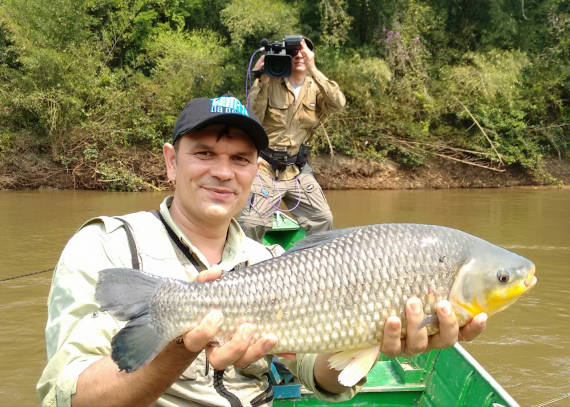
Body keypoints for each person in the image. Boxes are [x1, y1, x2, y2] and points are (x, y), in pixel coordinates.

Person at [37, 95, 487, 407]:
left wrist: (374, 343)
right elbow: (74, 398)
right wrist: (179, 347)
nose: (222, 172)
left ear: (256, 172)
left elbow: (321, 374)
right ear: (171, 161)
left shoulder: (273, 262)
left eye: (240, 159)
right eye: (205, 154)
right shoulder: (106, 245)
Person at [238, 37, 344, 242]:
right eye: (293, 52)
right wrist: (262, 78)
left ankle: (314, 269)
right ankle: (246, 267)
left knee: (323, 219)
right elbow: (252, 115)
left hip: (297, 169)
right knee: (251, 223)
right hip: (266, 167)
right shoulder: (270, 82)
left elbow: (338, 103)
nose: (298, 56)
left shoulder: (316, 88)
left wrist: (314, 69)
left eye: (303, 52)